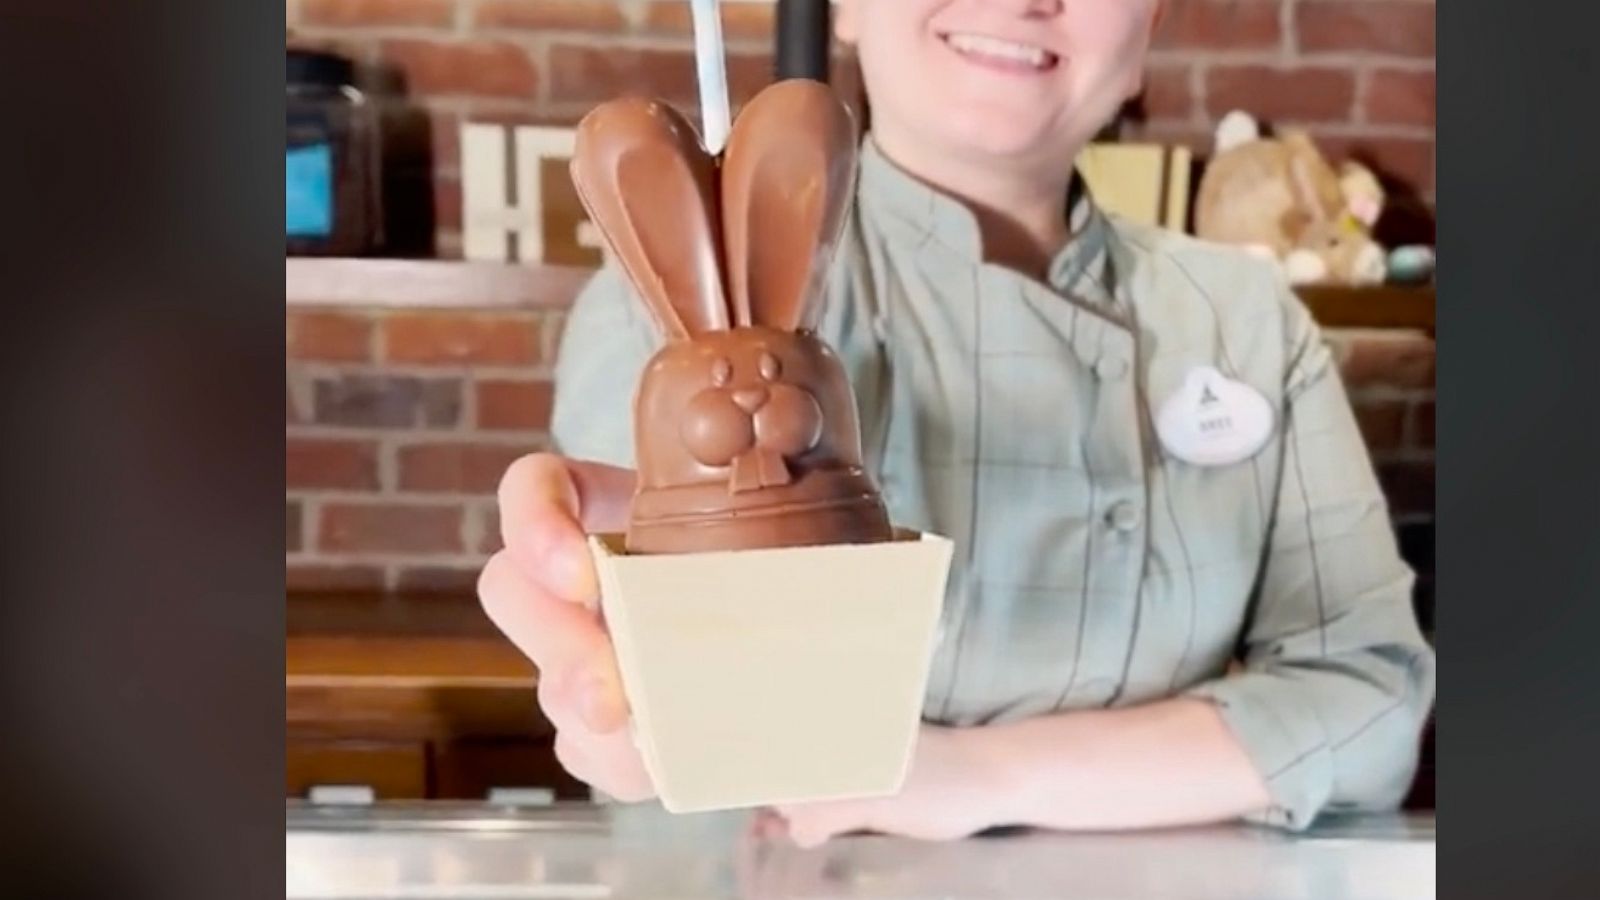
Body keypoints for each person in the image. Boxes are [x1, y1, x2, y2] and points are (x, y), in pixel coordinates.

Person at [477, 0, 1436, 848]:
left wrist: (973, 776)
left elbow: (1372, 707)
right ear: (844, 7)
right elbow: (656, 725)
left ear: (1148, 31)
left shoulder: (1242, 318)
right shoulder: (696, 309)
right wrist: (626, 706)